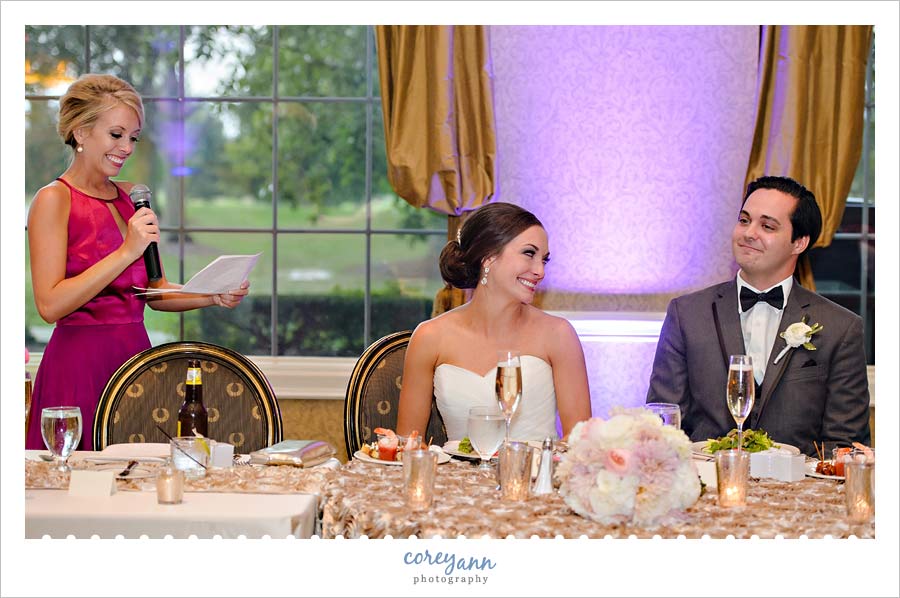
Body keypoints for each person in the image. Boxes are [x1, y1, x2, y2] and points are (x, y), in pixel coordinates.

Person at [26, 74, 250, 450]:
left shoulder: (133, 197)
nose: (127, 147)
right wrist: (126, 251)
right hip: (77, 365)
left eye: (133, 137)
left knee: (138, 483)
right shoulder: (53, 200)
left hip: (134, 362)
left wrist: (212, 295)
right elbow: (49, 305)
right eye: (116, 135)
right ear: (80, 133)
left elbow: (153, 290)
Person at [646, 175, 870, 457]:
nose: (749, 233)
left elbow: (843, 445)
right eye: (744, 220)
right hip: (707, 488)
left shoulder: (841, 328)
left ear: (799, 243)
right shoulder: (687, 314)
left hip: (798, 494)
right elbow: (664, 422)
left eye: (767, 226)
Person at [396, 202, 592, 442]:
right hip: (456, 479)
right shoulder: (429, 337)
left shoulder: (559, 335)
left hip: (537, 477)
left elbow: (581, 445)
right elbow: (407, 445)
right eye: (529, 253)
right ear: (488, 258)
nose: (540, 271)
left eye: (544, 260)